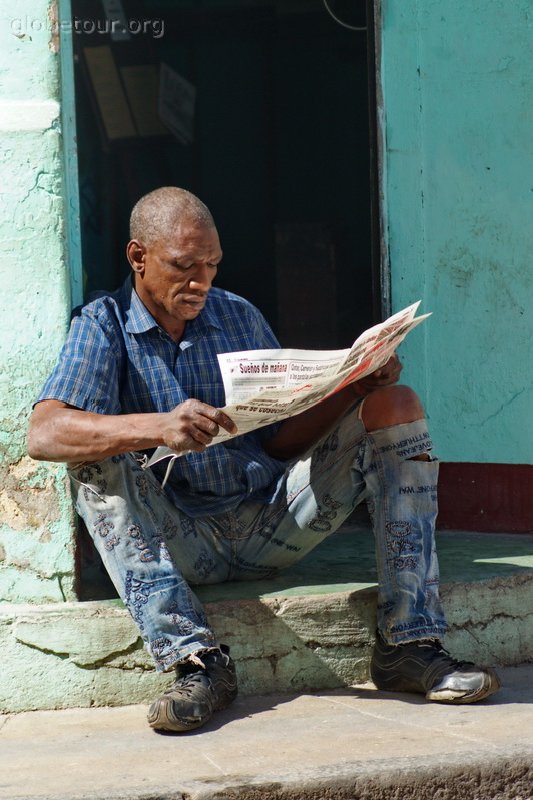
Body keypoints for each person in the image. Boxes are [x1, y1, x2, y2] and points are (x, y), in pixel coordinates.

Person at [27, 186, 500, 733]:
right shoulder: (101, 323)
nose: (201, 282)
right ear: (138, 258)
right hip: (180, 543)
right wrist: (156, 428)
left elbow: (277, 445)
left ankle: (408, 643)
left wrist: (351, 388)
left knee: (396, 403)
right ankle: (196, 663)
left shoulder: (236, 315)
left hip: (269, 522)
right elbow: (44, 433)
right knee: (93, 463)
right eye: (183, 266)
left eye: (212, 265)